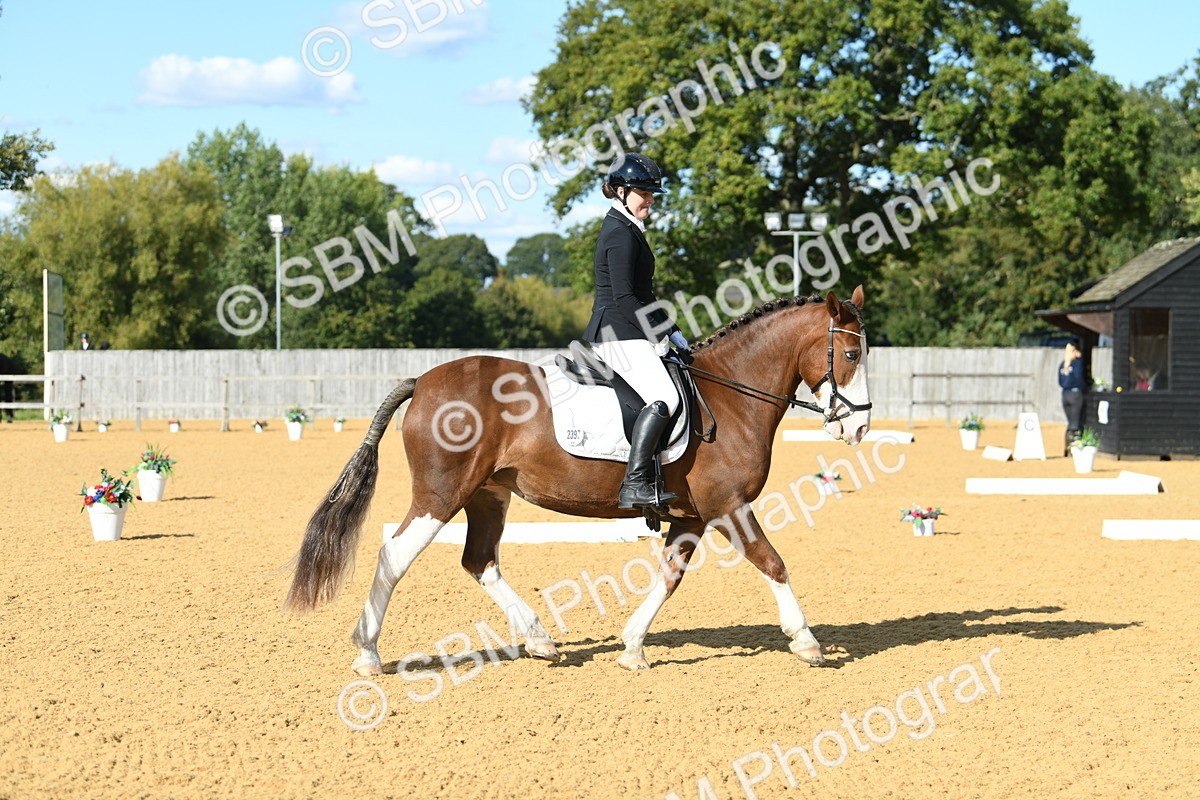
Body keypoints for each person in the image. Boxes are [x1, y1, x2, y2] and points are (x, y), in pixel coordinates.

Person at [582, 153, 688, 511]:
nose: (651, 199)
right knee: (665, 397)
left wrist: (671, 330)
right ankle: (636, 483)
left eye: (652, 193)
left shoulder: (629, 229)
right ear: (622, 191)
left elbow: (645, 294)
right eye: (644, 192)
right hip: (617, 332)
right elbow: (626, 297)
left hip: (628, 329)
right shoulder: (619, 233)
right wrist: (654, 333)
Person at [1058, 340, 1086, 455]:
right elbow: (1080, 379)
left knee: (1070, 422)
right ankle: (1074, 449)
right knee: (1075, 423)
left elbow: (1060, 382)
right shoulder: (1077, 364)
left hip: (1065, 395)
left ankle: (1067, 448)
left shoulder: (1062, 365)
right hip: (1075, 395)